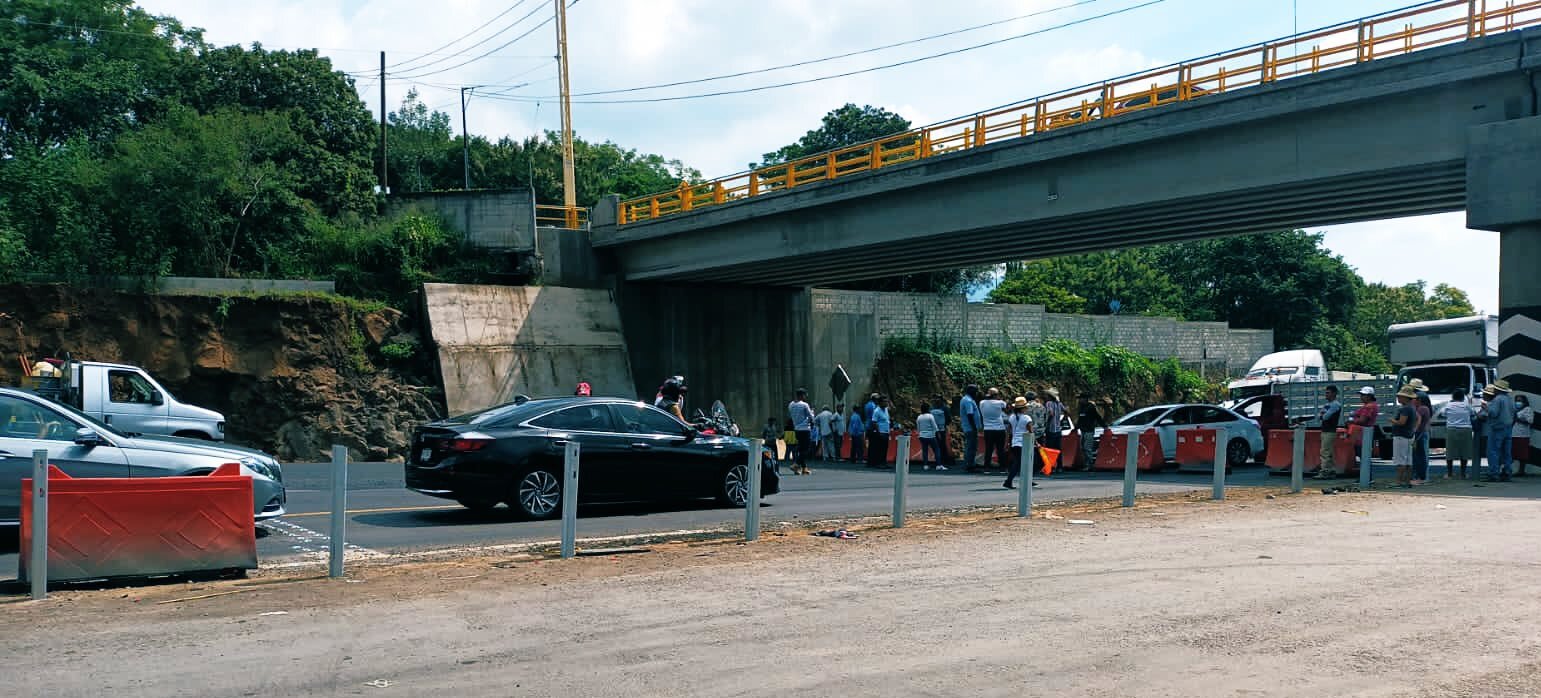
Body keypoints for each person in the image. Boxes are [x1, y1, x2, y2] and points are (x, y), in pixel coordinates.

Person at [1481, 380, 1516, 482]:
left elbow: (1494, 413)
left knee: (1493, 451)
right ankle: (1507, 472)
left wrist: (1486, 408)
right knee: (1506, 452)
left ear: (1497, 389)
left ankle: (1494, 474)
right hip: (1508, 428)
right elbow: (1514, 414)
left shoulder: (1498, 399)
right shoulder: (1510, 399)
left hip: (1497, 428)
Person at [1003, 397, 1037, 490]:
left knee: (1018, 462)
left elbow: (1008, 431)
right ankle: (1009, 481)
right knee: (1025, 462)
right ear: (1023, 408)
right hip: (1024, 444)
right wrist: (1036, 443)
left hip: (1015, 443)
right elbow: (1031, 432)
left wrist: (1006, 443)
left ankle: (1026, 480)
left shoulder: (1012, 417)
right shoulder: (1027, 418)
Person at [1444, 388, 1477, 479]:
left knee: (1450, 452)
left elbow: (1443, 414)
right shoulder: (1467, 405)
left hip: (1452, 429)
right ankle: (1463, 474)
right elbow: (1473, 413)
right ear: (1463, 397)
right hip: (1466, 429)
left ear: (1453, 397)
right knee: (1464, 451)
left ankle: (1450, 474)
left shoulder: (1449, 405)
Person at [1348, 386, 1380, 475]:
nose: (1361, 397)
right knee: (1364, 456)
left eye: (1363, 395)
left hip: (1362, 434)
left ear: (1370, 396)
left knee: (1363, 455)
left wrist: (1352, 421)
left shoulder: (1369, 407)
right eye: (1361, 395)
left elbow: (1362, 421)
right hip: (1364, 433)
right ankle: (1366, 476)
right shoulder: (1372, 405)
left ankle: (1365, 476)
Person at [1313, 386, 1344, 480]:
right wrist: (1322, 415)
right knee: (1327, 452)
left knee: (1325, 452)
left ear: (1334, 393)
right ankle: (1330, 471)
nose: (1326, 394)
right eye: (1326, 392)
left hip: (1329, 431)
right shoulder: (1328, 404)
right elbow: (1320, 416)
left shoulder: (1335, 405)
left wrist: (1322, 415)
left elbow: (1325, 416)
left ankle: (1325, 471)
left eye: (1328, 393)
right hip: (1326, 430)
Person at [1390, 385, 1418, 488]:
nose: (1398, 398)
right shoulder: (1412, 408)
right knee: (1408, 460)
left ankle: (1398, 481)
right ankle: (1407, 481)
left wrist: (1392, 420)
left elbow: (1401, 422)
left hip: (1401, 436)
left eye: (1400, 396)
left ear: (1406, 398)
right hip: (1409, 435)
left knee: (1400, 460)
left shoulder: (1405, 409)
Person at [977, 388, 1009, 472]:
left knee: (988, 449)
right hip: (1000, 428)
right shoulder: (1000, 403)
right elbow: (1006, 409)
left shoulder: (982, 403)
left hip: (988, 429)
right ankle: (1003, 467)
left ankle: (986, 468)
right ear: (996, 395)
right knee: (1000, 449)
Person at [788, 389, 814, 476]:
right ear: (801, 395)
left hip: (797, 429)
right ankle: (796, 464)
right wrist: (812, 413)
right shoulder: (804, 405)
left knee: (801, 449)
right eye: (804, 395)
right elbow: (810, 417)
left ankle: (804, 468)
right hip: (805, 429)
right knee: (806, 449)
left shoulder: (791, 405)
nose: (805, 397)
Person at [1076, 399, 1105, 470]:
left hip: (1089, 431)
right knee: (1083, 448)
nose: (1079, 401)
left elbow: (1098, 417)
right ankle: (1086, 464)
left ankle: (1090, 464)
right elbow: (1080, 420)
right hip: (1083, 431)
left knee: (1087, 448)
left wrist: (1104, 425)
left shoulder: (1091, 408)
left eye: (1081, 399)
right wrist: (1076, 427)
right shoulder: (1082, 408)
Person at [960, 385, 981, 470]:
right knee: (971, 446)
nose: (976, 393)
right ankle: (969, 465)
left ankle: (970, 462)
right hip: (970, 428)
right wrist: (974, 427)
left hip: (968, 427)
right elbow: (970, 414)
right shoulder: (968, 401)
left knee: (970, 446)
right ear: (971, 391)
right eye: (975, 391)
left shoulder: (967, 399)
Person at [867, 395, 892, 468]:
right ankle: (879, 463)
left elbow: (893, 409)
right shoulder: (877, 411)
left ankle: (883, 462)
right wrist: (878, 432)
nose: (886, 403)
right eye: (884, 402)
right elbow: (874, 422)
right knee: (879, 449)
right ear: (880, 403)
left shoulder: (886, 409)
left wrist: (890, 402)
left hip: (886, 432)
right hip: (880, 432)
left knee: (885, 448)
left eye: (886, 402)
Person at [1513, 394, 1534, 477]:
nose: (1518, 402)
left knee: (1522, 454)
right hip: (1513, 434)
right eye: (1516, 400)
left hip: (1523, 435)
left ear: (1524, 402)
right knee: (1513, 453)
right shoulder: (1514, 409)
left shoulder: (1528, 409)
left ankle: (1521, 471)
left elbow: (1530, 421)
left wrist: (1518, 419)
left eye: (1520, 400)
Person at [916, 401, 941, 470]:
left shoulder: (919, 417)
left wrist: (919, 434)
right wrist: (938, 433)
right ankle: (938, 465)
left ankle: (925, 465)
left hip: (922, 436)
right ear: (928, 409)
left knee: (925, 450)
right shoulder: (930, 416)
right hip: (931, 435)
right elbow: (934, 426)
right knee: (936, 449)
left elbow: (918, 427)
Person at [930, 395, 953, 467]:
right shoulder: (945, 408)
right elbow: (949, 419)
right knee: (941, 444)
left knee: (938, 445)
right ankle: (943, 460)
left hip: (935, 429)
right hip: (941, 429)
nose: (936, 400)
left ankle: (941, 460)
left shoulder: (932, 408)